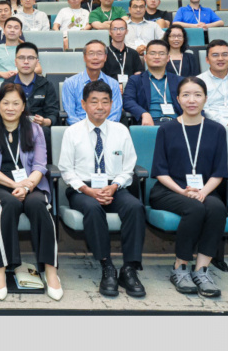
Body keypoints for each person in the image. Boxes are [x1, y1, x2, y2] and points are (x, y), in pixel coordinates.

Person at [58, 79, 146, 298]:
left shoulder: (121, 131)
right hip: (82, 189)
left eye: (105, 102)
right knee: (93, 208)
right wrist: (88, 191)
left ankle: (129, 268)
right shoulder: (73, 132)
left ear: (112, 104)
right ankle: (106, 265)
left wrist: (115, 186)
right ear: (84, 104)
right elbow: (66, 170)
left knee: (135, 207)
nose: (99, 107)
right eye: (94, 101)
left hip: (114, 186)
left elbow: (129, 167)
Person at [0, 83, 61, 301]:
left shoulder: (35, 130)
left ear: (24, 105)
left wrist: (26, 186)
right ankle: (0, 270)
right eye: (5, 103)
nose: (10, 107)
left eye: (16, 103)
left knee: (38, 205)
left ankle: (51, 270)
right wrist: (15, 186)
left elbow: (41, 165)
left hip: (31, 184)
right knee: (9, 204)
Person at [150, 76, 228, 297]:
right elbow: (159, 171)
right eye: (186, 95)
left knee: (217, 208)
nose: (191, 100)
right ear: (177, 99)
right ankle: (180, 267)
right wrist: (183, 191)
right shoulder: (166, 129)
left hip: (204, 190)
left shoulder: (217, 130)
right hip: (169, 190)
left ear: (205, 98)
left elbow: (219, 172)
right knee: (194, 208)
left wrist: (203, 191)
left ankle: (201, 269)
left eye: (197, 95)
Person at [1, 42, 59, 154]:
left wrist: (45, 121)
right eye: (21, 58)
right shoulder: (7, 84)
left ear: (37, 62)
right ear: (15, 61)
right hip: (12, 126)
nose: (26, 62)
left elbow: (53, 112)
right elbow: (0, 110)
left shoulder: (46, 85)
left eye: (31, 58)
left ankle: (44, 169)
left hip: (40, 128)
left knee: (45, 132)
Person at [123, 40, 183, 125]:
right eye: (152, 53)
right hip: (149, 124)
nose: (157, 57)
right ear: (145, 57)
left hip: (176, 123)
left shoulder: (179, 81)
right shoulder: (135, 80)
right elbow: (128, 101)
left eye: (161, 54)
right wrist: (143, 113)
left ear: (168, 58)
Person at [62, 40, 123, 125]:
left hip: (107, 131)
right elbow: (71, 115)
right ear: (84, 57)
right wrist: (86, 130)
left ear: (105, 57)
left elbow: (115, 115)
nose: (95, 57)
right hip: (80, 131)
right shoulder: (70, 83)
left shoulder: (113, 84)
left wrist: (101, 129)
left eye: (99, 53)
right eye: (91, 53)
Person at [0, 17, 40, 88]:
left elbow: (39, 69)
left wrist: (20, 73)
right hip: (2, 86)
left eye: (16, 28)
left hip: (23, 84)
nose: (12, 30)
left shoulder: (27, 49)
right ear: (4, 31)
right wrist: (2, 74)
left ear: (20, 33)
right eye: (9, 27)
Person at [101, 18, 145, 84]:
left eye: (122, 29)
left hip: (130, 89)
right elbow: (101, 75)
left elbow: (138, 73)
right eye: (115, 29)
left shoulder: (133, 53)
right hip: (109, 89)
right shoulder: (104, 52)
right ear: (110, 32)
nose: (118, 32)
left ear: (126, 31)